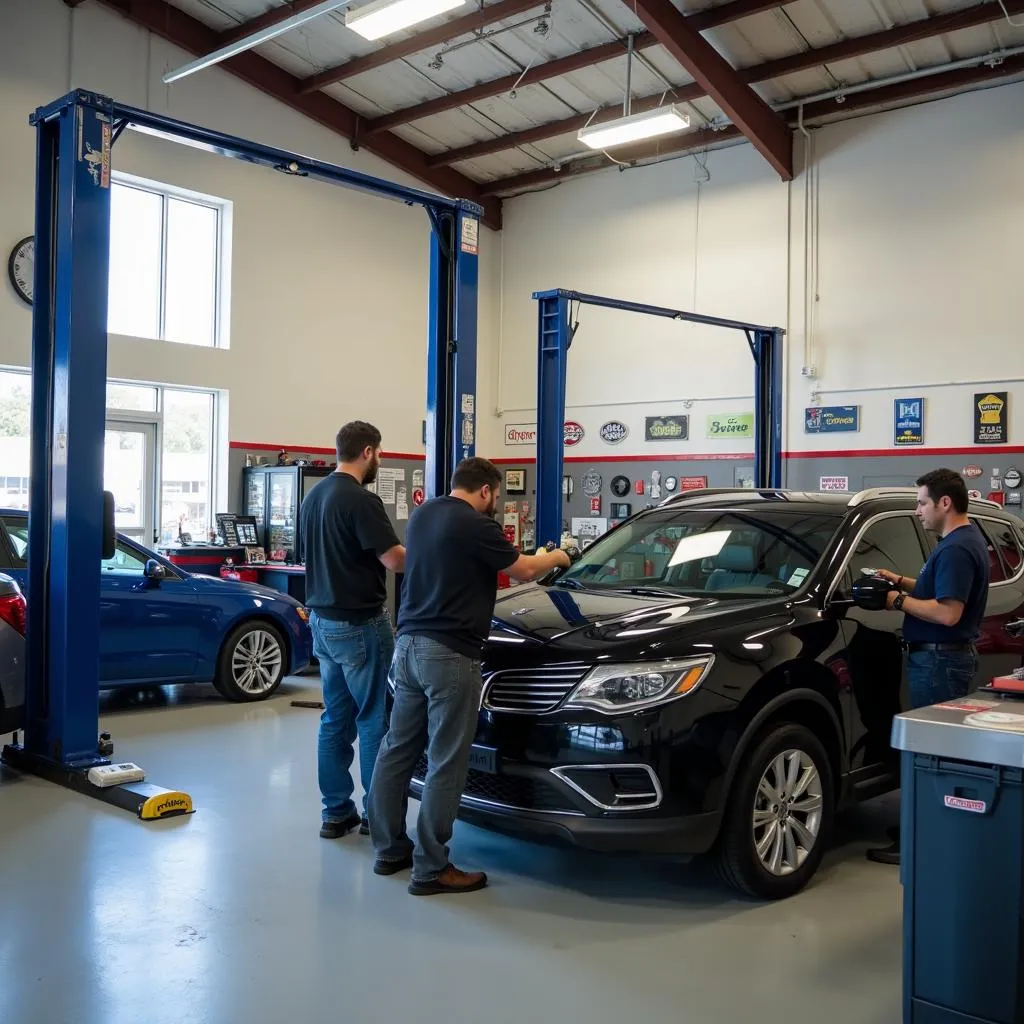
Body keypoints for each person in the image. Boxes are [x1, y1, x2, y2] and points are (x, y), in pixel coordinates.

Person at [367, 457, 572, 896]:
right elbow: (524, 570)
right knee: (446, 759)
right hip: (449, 654)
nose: (496, 503)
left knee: (397, 750)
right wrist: (559, 554)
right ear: (485, 490)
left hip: (408, 646)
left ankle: (388, 849)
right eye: (496, 495)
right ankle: (432, 868)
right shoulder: (478, 526)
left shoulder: (425, 515)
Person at [866, 467, 989, 865]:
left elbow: (948, 612)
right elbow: (936, 590)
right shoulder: (959, 542)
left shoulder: (955, 548)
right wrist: (899, 581)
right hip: (939, 660)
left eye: (922, 503)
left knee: (934, 756)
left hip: (940, 660)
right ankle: (922, 831)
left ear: (945, 503)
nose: (918, 511)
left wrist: (894, 603)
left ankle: (923, 843)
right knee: (935, 753)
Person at [299, 421, 406, 839]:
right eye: (379, 452)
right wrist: (435, 558)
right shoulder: (362, 500)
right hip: (361, 624)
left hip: (322, 624)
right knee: (374, 720)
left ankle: (334, 813)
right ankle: (377, 818)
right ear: (367, 451)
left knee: (334, 718)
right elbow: (394, 560)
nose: (380, 460)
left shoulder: (315, 496)